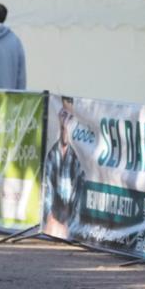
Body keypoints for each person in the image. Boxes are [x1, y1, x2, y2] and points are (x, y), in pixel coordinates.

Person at [42, 97, 85, 239]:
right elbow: (46, 191)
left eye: (70, 116)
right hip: (52, 223)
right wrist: (50, 218)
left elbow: (78, 199)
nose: (66, 120)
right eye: (63, 114)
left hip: (69, 226)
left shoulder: (78, 158)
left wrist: (69, 225)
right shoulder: (52, 155)